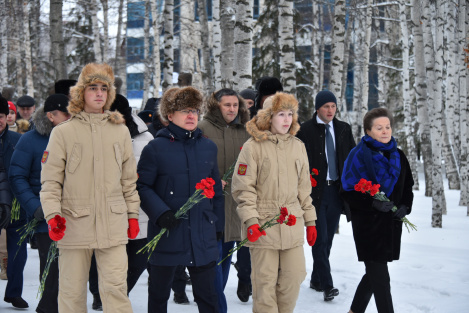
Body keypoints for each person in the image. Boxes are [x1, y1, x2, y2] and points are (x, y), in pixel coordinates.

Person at [40, 63, 140, 313]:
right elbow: (51, 183)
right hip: (73, 225)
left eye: (104, 88)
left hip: (113, 224)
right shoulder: (63, 132)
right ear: (81, 93)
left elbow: (129, 181)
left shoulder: (121, 132)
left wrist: (132, 215)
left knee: (116, 289)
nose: (99, 93)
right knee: (72, 292)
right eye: (93, 88)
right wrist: (53, 216)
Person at [137, 86, 224, 313]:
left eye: (195, 110)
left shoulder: (208, 147)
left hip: (201, 233)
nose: (191, 115)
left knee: (208, 297)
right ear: (169, 115)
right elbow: (142, 186)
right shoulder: (155, 147)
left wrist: (218, 225)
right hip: (168, 233)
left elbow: (216, 190)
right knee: (158, 296)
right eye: (185, 110)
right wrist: (161, 213)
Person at [231, 92, 317, 313]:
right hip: (263, 226)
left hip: (292, 224)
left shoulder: (298, 146)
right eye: (281, 114)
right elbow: (243, 188)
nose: (287, 119)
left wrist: (311, 220)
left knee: (294, 277)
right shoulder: (253, 147)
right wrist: (250, 221)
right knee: (264, 285)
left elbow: (304, 189)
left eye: (290, 114)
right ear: (269, 117)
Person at [340, 107, 414, 313]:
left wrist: (405, 207)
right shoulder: (357, 156)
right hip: (367, 226)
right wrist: (372, 203)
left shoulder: (398, 155)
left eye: (387, 127)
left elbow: (407, 185)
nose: (385, 131)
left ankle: (354, 311)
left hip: (390, 226)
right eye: (379, 128)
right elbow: (347, 192)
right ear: (368, 131)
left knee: (373, 275)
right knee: (381, 278)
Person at [9, 94, 71, 313]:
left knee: (75, 274)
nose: (72, 117)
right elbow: (17, 176)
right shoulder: (31, 140)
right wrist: (36, 207)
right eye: (67, 113)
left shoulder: (77, 137)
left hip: (78, 215)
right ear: (51, 116)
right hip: (47, 217)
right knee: (51, 270)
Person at [296, 90, 356, 301]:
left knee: (328, 239)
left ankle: (316, 279)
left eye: (333, 106)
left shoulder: (343, 129)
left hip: (336, 192)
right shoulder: (305, 130)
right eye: (325, 107)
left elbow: (352, 158)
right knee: (319, 239)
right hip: (314, 193)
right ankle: (327, 285)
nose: (330, 110)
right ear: (317, 109)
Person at [198, 88, 251, 310]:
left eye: (235, 105)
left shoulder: (246, 131)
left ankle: (215, 303)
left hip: (236, 210)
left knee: (224, 265)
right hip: (210, 207)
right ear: (216, 105)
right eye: (227, 105)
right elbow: (193, 161)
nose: (232, 109)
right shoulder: (202, 128)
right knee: (213, 267)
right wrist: (208, 179)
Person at [109, 94, 153, 294]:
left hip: (140, 209)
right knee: (107, 259)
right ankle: (102, 294)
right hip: (108, 208)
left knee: (138, 259)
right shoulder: (98, 135)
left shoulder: (145, 137)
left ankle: (120, 293)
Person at [0, 96, 26, 308]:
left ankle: (14, 292)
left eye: (1, 116)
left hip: (17, 205)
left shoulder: (18, 140)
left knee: (18, 252)